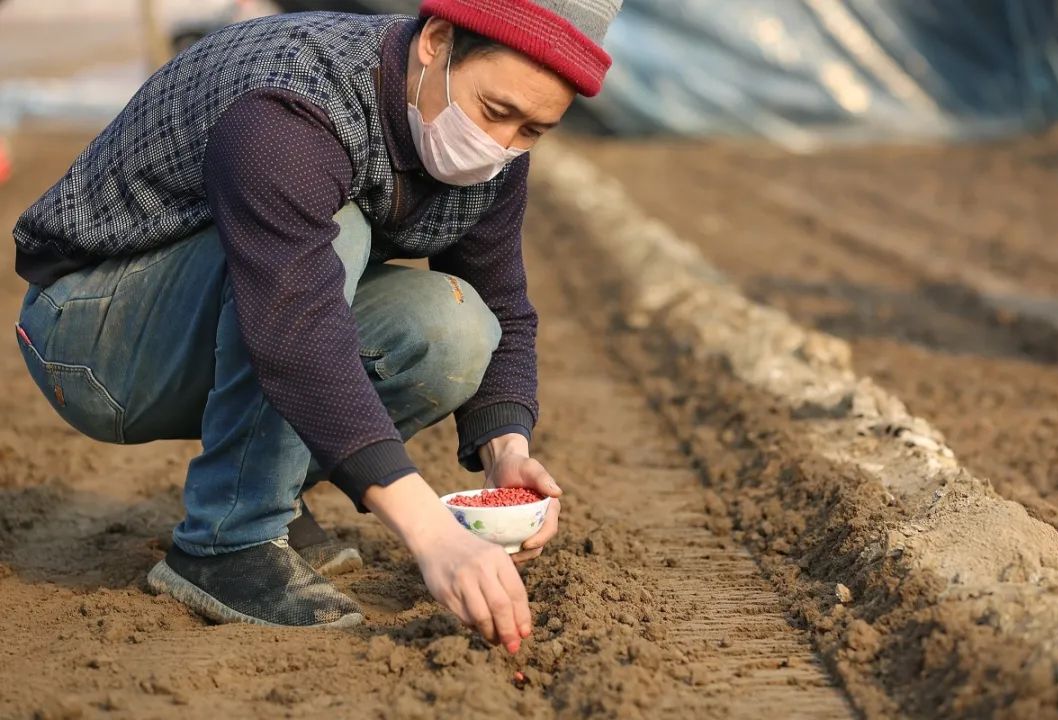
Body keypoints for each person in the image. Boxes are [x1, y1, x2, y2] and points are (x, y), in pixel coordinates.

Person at [11, 0, 622, 654]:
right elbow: (296, 329)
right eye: (496, 113)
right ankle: (226, 542)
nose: (502, 146)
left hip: (238, 306)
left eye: (534, 130)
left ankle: (269, 499)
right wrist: (432, 534)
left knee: (455, 325)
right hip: (94, 336)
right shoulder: (291, 104)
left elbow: (499, 293)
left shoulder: (489, 142)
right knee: (338, 234)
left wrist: (508, 451)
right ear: (436, 41)